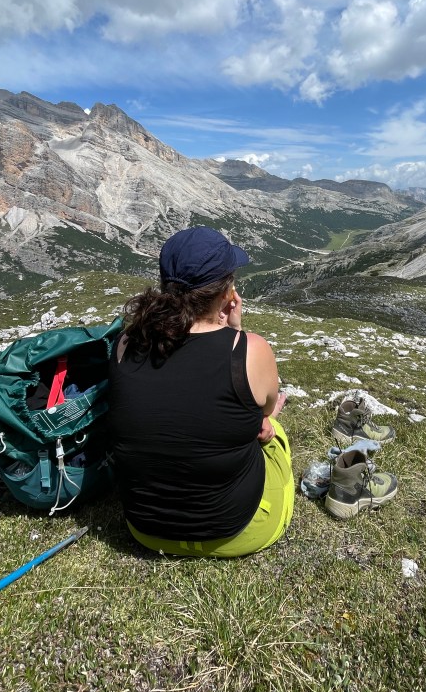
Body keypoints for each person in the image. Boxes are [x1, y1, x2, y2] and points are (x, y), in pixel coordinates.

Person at [106, 226, 294, 557]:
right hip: (238, 533)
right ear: (228, 293)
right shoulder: (249, 350)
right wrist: (236, 333)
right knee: (272, 429)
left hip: (145, 531)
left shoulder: (125, 342)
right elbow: (263, 409)